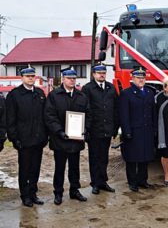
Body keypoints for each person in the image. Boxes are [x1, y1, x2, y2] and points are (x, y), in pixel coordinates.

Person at [45, 67, 90, 205]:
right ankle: (58, 193)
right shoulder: (54, 95)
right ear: (63, 79)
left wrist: (85, 129)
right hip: (60, 139)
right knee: (59, 168)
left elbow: (88, 114)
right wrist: (59, 131)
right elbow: (49, 116)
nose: (72, 81)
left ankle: (74, 190)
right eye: (69, 78)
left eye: (74, 79)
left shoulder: (81, 96)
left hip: (76, 139)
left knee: (75, 167)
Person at [6, 65, 48, 207]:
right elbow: (10, 119)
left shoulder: (40, 93)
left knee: (35, 168)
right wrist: (14, 138)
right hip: (23, 140)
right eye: (28, 76)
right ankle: (25, 196)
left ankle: (33, 193)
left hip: (38, 139)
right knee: (25, 169)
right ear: (22, 77)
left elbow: (44, 116)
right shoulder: (15, 95)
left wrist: (45, 136)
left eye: (32, 76)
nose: (31, 78)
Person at [81, 65, 118, 195]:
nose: (102, 75)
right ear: (93, 74)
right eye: (99, 73)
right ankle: (95, 183)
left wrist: (115, 127)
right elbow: (85, 109)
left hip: (107, 128)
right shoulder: (88, 88)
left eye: (103, 72)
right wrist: (86, 129)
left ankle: (103, 181)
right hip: (94, 130)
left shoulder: (111, 88)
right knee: (94, 158)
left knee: (104, 157)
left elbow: (115, 109)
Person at [119, 67, 156, 192]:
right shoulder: (126, 93)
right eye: (138, 78)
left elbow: (153, 113)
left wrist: (154, 129)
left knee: (145, 157)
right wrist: (127, 131)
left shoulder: (150, 93)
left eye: (143, 78)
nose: (141, 80)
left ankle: (142, 180)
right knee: (132, 158)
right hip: (133, 131)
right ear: (132, 78)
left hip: (147, 130)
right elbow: (124, 115)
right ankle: (132, 182)